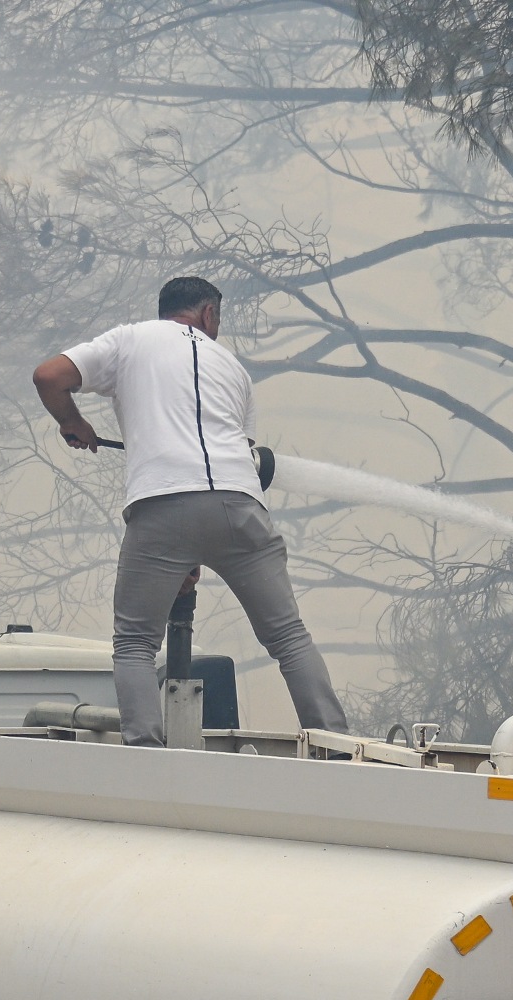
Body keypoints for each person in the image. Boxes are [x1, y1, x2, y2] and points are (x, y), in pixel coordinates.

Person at [34, 276, 348, 747]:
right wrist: (195, 553)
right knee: (288, 636)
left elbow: (49, 376)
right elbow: (236, 456)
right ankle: (336, 746)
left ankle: (145, 757)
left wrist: (72, 420)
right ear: (207, 315)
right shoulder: (234, 370)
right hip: (241, 506)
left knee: (136, 644)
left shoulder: (129, 340)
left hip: (162, 507)